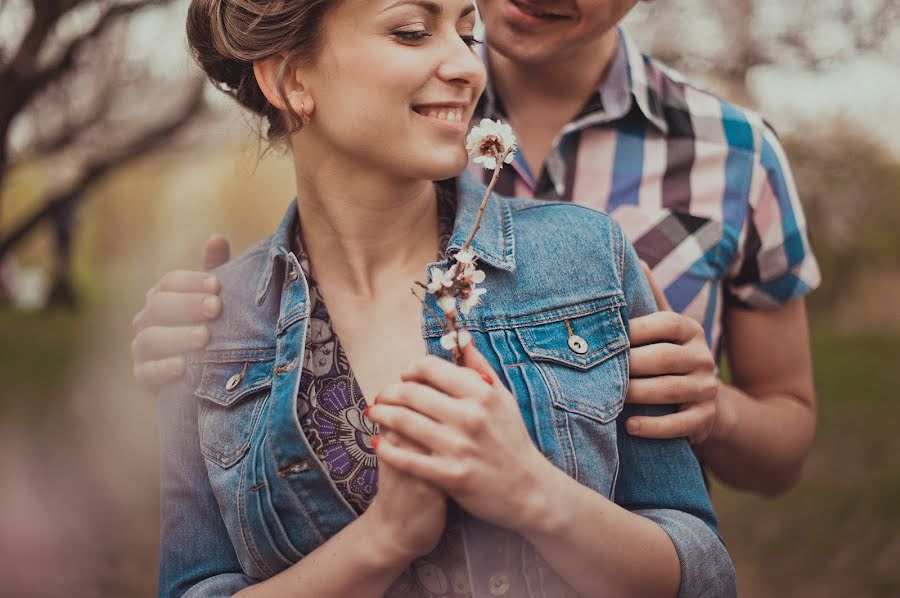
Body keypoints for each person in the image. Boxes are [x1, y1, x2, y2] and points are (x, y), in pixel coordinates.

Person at [158, 0, 735, 596]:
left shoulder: (588, 259)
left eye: (466, 32)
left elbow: (703, 572)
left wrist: (533, 494)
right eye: (412, 32)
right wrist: (384, 540)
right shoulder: (208, 328)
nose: (468, 66)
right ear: (292, 78)